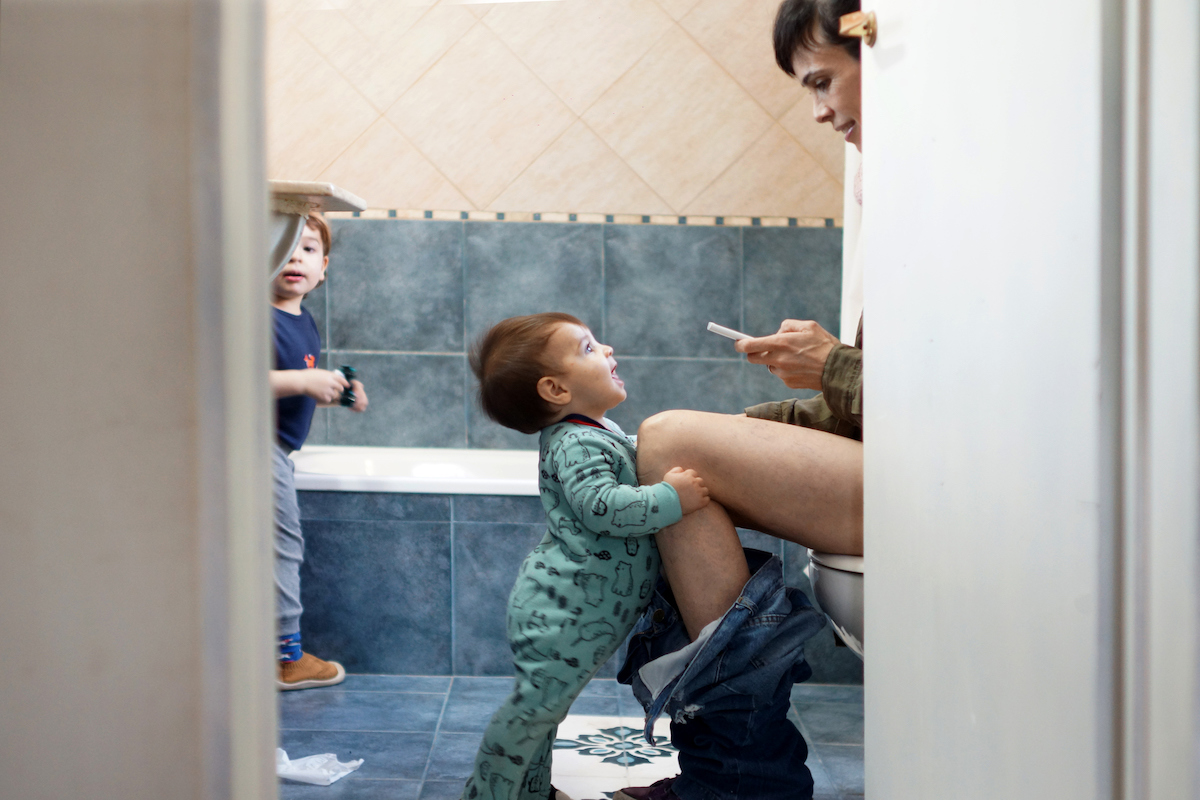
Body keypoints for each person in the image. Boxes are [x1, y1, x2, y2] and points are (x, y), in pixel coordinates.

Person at [614, 1, 865, 798]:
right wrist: (786, 410)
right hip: (909, 472)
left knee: (666, 443)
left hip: (945, 482)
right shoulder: (922, 201)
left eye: (825, 81)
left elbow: (967, 397)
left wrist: (832, 366)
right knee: (664, 461)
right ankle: (734, 773)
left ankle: (740, 779)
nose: (822, 111)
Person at [461, 313, 711, 800]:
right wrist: (670, 499)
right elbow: (603, 508)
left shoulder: (595, 430)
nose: (609, 349)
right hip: (562, 610)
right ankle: (488, 794)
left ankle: (531, 792)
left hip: (575, 609)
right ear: (555, 390)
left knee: (545, 714)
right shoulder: (575, 442)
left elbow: (627, 463)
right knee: (533, 713)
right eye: (589, 349)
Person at [270, 213, 368, 690]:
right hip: (253, 447)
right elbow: (228, 375)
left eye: (307, 249)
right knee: (281, 544)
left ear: (323, 266)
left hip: (273, 450)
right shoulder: (253, 313)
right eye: (282, 247)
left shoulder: (302, 319)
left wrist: (339, 388)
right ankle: (286, 656)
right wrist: (303, 381)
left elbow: (293, 375)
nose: (294, 257)